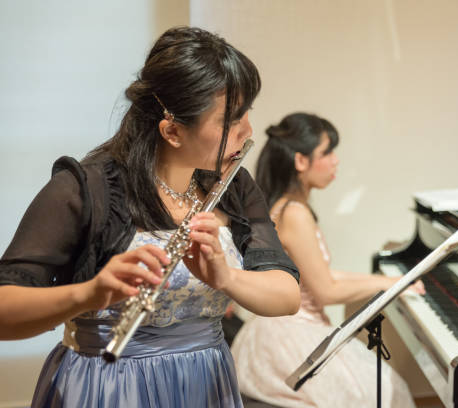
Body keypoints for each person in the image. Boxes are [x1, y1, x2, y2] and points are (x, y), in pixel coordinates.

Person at [0, 27, 301, 408]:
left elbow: (287, 295)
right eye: (231, 120)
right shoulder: (85, 188)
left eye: (247, 114)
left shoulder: (235, 186)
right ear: (172, 130)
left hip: (207, 384)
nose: (248, 131)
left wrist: (226, 277)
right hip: (108, 388)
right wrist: (88, 294)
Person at [230, 112, 423, 408]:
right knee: (387, 392)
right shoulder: (295, 213)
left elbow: (322, 275)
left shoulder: (286, 206)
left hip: (280, 331)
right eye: (327, 152)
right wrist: (391, 286)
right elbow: (326, 290)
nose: (335, 161)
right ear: (300, 161)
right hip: (288, 337)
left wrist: (393, 281)